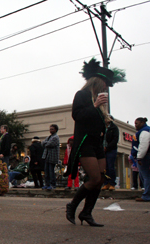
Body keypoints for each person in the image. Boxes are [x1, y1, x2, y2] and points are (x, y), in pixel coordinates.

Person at [65, 58, 126, 226]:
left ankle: (86, 213)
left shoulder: (99, 103)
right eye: (105, 83)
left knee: (100, 179)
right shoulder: (82, 95)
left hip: (97, 145)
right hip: (85, 143)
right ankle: (72, 206)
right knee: (93, 178)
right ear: (98, 82)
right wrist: (95, 106)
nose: (107, 87)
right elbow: (77, 116)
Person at [131, 117, 150, 202]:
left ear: (142, 122)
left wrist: (139, 157)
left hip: (145, 157)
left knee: (146, 177)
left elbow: (143, 145)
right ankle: (146, 194)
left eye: (137, 123)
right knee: (144, 176)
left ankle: (146, 196)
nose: (135, 125)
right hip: (144, 156)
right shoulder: (143, 131)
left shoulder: (145, 131)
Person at [101, 115, 119, 191]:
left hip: (111, 150)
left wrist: (107, 147)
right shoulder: (102, 128)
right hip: (103, 149)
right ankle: (106, 183)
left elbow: (115, 140)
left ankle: (112, 183)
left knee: (111, 167)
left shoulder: (114, 128)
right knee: (105, 168)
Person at [42, 124, 60, 190]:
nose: (50, 130)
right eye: (50, 129)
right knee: (46, 172)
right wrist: (45, 143)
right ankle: (47, 184)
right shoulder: (49, 137)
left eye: (52, 129)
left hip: (52, 157)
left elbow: (49, 144)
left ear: (55, 130)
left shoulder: (56, 137)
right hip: (47, 157)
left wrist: (45, 143)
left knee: (51, 172)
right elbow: (42, 143)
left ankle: (53, 185)